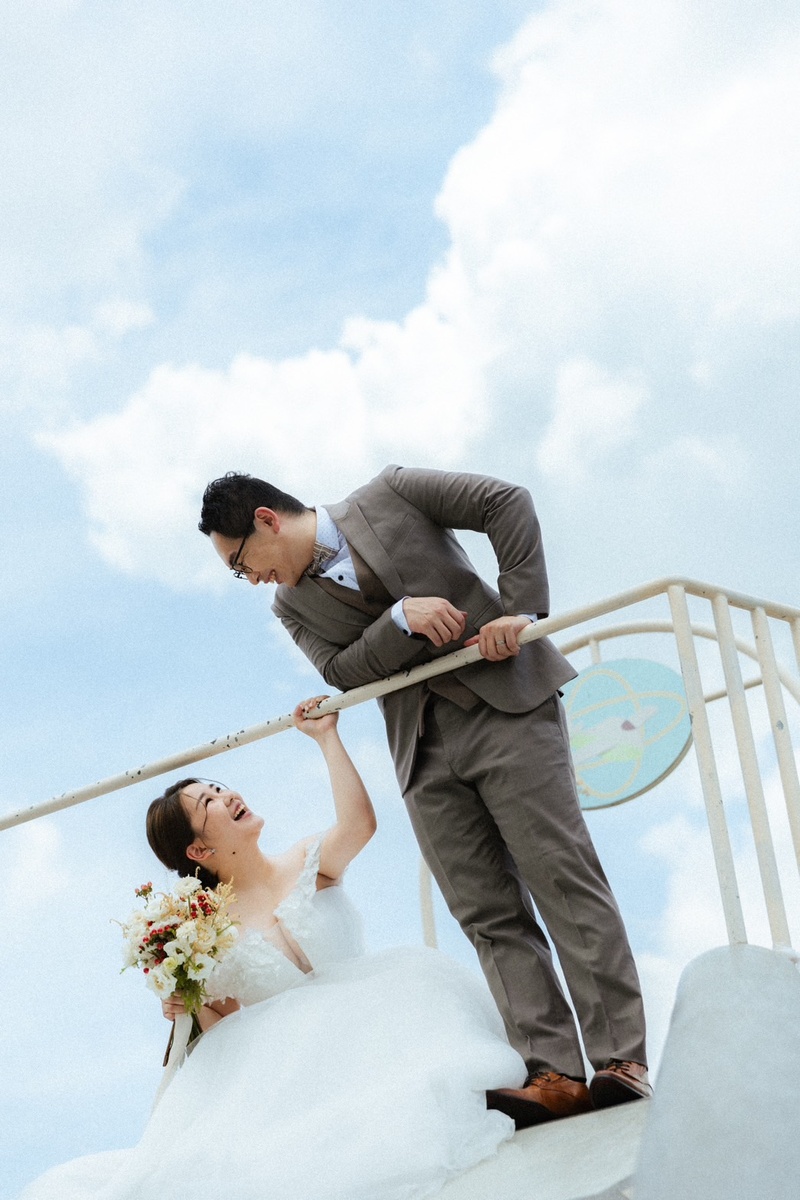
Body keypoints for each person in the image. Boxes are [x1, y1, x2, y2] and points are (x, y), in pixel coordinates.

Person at [198, 465, 651, 1125]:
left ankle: (619, 1059)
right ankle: (553, 1071)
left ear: (266, 520)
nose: (252, 580)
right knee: (486, 913)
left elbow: (505, 501)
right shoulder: (289, 607)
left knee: (561, 876)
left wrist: (520, 609)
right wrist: (399, 619)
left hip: (507, 703)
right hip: (420, 747)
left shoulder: (393, 492)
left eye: (242, 564)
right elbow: (342, 671)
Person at [17, 700, 526, 1200]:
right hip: (297, 1075)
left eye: (219, 788)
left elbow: (360, 825)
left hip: (383, 1027)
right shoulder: (203, 932)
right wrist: (183, 1002)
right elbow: (223, 1032)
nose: (228, 795)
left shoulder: (305, 860)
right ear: (198, 850)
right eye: (209, 802)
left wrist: (327, 737)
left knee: (435, 1072)